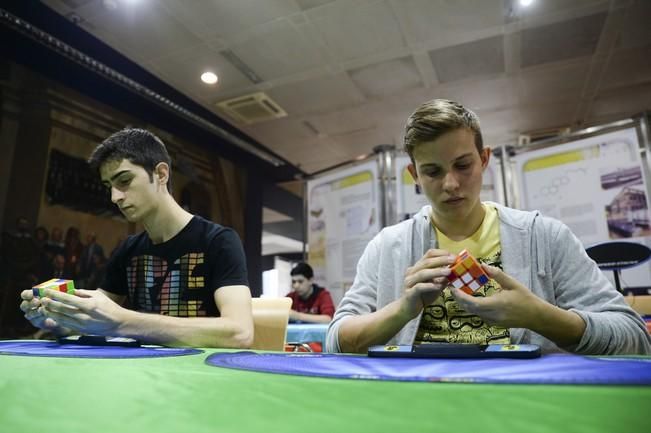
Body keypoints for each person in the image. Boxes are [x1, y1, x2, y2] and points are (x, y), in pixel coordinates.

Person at [326, 99, 651, 355]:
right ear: (415, 175)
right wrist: (401, 311)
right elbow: (336, 341)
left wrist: (540, 316)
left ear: (484, 159)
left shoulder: (546, 238)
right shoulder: (387, 247)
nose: (451, 184)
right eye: (433, 171)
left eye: (463, 165)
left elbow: (634, 338)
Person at [20, 128, 253, 348]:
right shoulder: (128, 249)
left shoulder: (218, 240)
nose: (114, 197)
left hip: (202, 376)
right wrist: (59, 321)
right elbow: (97, 319)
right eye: (108, 186)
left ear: (161, 174)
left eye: (124, 181)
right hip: (140, 377)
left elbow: (240, 332)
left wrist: (122, 321)